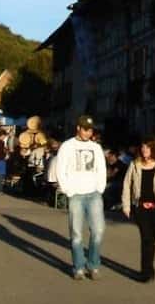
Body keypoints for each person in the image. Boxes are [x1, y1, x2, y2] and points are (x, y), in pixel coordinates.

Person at [55, 115, 107, 281]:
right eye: (85, 129)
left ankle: (93, 265)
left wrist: (100, 188)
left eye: (90, 129)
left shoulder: (96, 147)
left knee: (98, 231)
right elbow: (60, 169)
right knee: (76, 233)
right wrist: (68, 190)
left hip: (94, 194)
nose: (88, 132)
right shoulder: (67, 146)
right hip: (76, 194)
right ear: (78, 128)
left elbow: (101, 169)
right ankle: (78, 266)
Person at [121, 136, 155, 283]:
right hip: (141, 208)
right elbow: (127, 184)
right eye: (143, 147)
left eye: (148, 147)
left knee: (151, 240)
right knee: (146, 239)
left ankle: (149, 269)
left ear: (153, 149)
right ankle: (145, 272)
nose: (145, 150)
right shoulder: (135, 164)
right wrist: (126, 205)